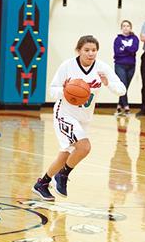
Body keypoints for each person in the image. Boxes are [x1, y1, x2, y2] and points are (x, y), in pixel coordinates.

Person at [32, 35, 126, 201]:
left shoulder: (102, 68)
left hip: (84, 117)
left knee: (65, 155)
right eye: (87, 50)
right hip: (64, 114)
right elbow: (52, 90)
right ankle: (62, 175)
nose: (90, 54)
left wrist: (107, 83)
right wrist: (67, 90)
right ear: (79, 50)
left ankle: (42, 183)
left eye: (94, 50)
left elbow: (122, 90)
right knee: (84, 147)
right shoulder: (67, 66)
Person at [113, 20, 139, 116]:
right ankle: (126, 107)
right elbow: (117, 52)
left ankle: (119, 106)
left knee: (125, 87)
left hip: (131, 65)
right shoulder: (117, 39)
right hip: (120, 65)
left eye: (128, 26)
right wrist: (128, 49)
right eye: (124, 26)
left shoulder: (135, 38)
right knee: (123, 85)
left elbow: (134, 49)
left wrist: (124, 48)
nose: (126, 27)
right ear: (121, 28)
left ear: (130, 28)